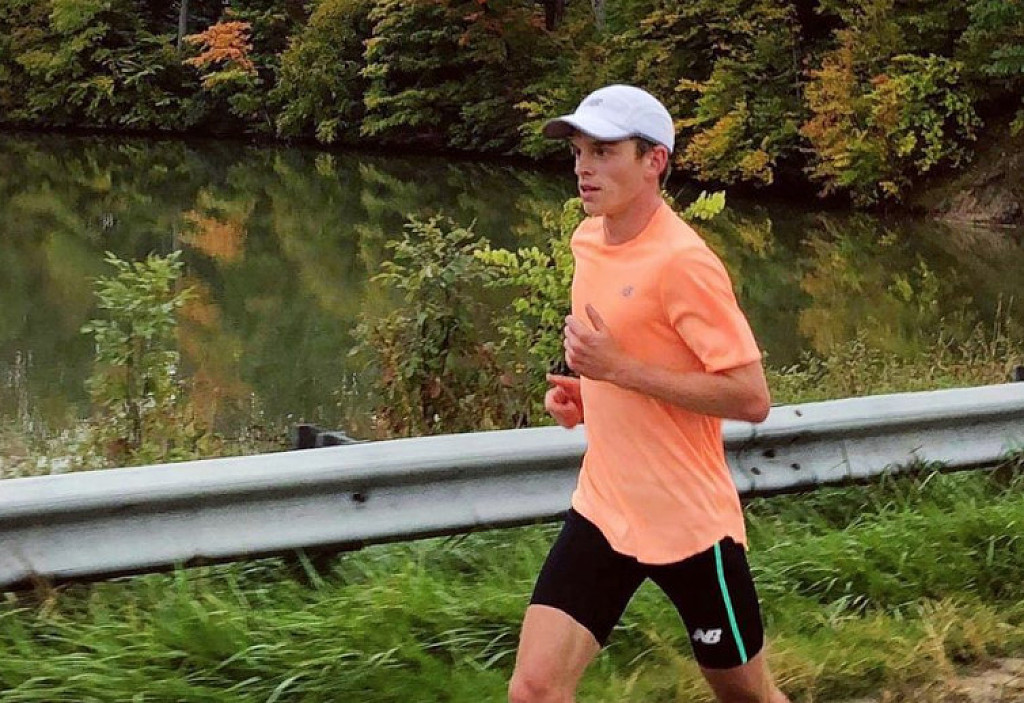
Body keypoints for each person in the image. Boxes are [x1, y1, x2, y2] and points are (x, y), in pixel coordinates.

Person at [508, 85, 790, 703]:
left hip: (687, 524)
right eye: (578, 152)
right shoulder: (588, 240)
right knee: (534, 690)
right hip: (605, 509)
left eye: (604, 151)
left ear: (653, 161)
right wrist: (586, 394)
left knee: (747, 697)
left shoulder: (684, 263)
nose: (583, 168)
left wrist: (619, 371)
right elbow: (624, 365)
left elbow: (750, 398)